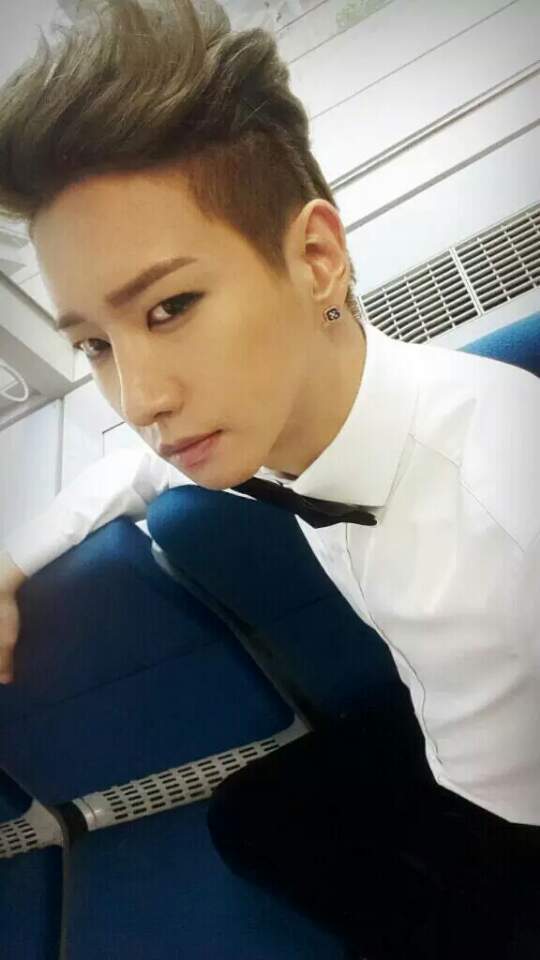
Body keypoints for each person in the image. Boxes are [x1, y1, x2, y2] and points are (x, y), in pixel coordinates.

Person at [0, 1, 538, 956]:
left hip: (516, 817)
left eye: (170, 306)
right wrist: (8, 563)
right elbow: (131, 469)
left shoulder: (507, 519)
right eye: (94, 344)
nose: (140, 398)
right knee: (253, 821)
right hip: (434, 732)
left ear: (317, 259)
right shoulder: (265, 423)